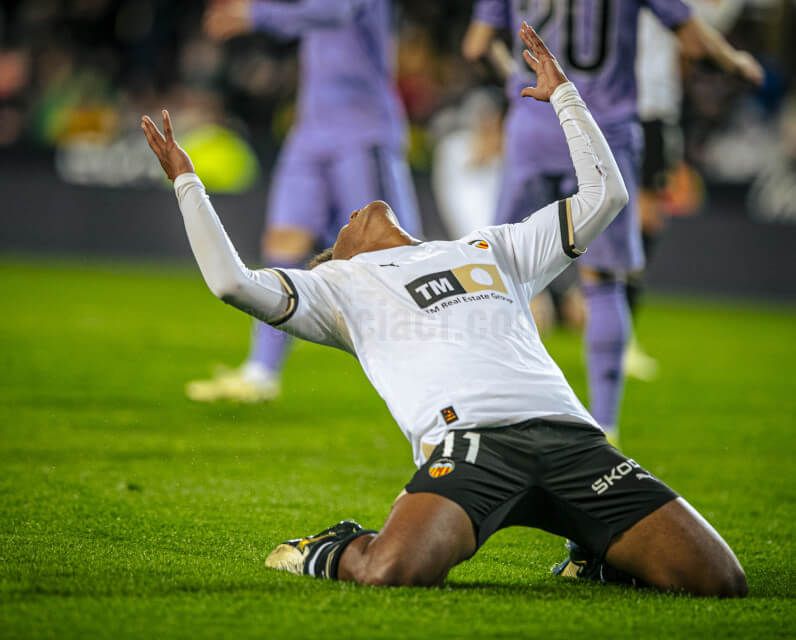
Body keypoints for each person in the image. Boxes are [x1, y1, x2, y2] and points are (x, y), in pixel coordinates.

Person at [141, 23, 747, 596]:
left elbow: (606, 195)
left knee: (720, 581)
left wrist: (565, 97)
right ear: (337, 259)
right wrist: (188, 183)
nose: (350, 217)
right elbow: (231, 283)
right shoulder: (341, 288)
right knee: (390, 570)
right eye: (340, 233)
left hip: (573, 441)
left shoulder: (490, 246)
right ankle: (329, 548)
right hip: (471, 446)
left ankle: (592, 549)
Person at [463, 0, 763, 443]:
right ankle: (604, 426)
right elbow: (695, 40)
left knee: (499, 272)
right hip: (602, 131)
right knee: (604, 281)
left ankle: (483, 411)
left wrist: (515, 75)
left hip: (532, 127)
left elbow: (475, 47)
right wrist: (736, 62)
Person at [187, 0, 421, 402]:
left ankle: (426, 363)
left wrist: (255, 15)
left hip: (362, 132)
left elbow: (335, 13)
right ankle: (261, 372)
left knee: (387, 253)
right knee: (284, 243)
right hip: (310, 133)